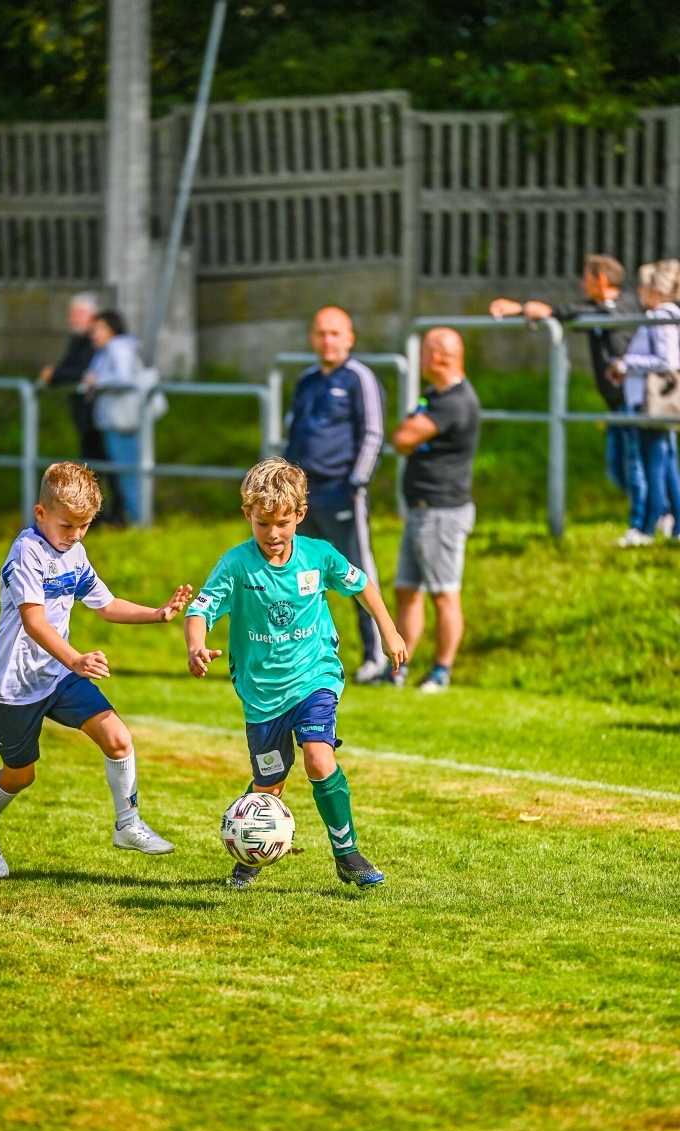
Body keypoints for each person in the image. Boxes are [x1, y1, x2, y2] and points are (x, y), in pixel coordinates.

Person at [0, 461, 192, 879]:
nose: (77, 535)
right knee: (21, 774)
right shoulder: (26, 552)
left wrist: (157, 614)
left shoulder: (75, 553)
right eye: (68, 526)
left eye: (84, 526)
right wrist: (77, 659)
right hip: (15, 685)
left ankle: (128, 824)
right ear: (40, 513)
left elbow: (105, 605)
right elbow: (34, 621)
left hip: (60, 676)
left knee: (118, 738)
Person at [184, 457, 407, 890]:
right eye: (262, 523)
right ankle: (253, 847)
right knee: (271, 780)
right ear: (247, 514)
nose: (273, 534)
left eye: (282, 523)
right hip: (261, 693)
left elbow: (361, 586)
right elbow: (200, 610)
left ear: (300, 516)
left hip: (314, 676)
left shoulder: (318, 556)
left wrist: (389, 631)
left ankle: (347, 853)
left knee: (319, 758)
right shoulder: (235, 565)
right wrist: (196, 646)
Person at [489, 254, 644, 509]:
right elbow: (572, 312)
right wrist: (524, 310)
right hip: (617, 402)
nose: (582, 285)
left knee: (638, 465)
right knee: (616, 469)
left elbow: (591, 312)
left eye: (586, 278)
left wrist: (549, 310)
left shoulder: (627, 304)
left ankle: (649, 522)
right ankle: (657, 513)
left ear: (602, 279)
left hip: (637, 400)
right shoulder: (595, 309)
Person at [285, 306, 387, 684]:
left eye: (335, 333)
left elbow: (374, 433)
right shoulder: (306, 380)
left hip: (341, 493)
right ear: (312, 338)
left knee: (357, 573)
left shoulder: (360, 378)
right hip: (301, 498)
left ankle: (378, 658)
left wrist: (355, 483)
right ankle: (303, 657)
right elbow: (292, 430)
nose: (328, 340)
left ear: (349, 338)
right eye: (321, 333)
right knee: (300, 578)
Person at [384, 328, 480, 693]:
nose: (420, 360)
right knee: (407, 591)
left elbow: (404, 437)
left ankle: (441, 670)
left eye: (424, 352)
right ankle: (400, 668)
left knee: (444, 594)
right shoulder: (434, 396)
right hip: (420, 511)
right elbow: (409, 433)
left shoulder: (455, 401)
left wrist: (409, 433)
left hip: (442, 511)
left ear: (439, 357)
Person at [39, 292, 125, 524]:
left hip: (100, 416)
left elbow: (85, 372)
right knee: (94, 466)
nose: (72, 318)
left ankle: (114, 515)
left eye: (77, 313)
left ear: (92, 316)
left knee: (104, 466)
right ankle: (101, 516)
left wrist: (55, 374)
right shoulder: (80, 340)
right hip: (89, 416)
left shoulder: (95, 342)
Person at [611, 259, 680, 546]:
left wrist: (627, 365)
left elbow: (667, 361)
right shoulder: (668, 315)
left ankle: (647, 529)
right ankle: (674, 526)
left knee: (653, 464)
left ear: (654, 288)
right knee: (665, 464)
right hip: (648, 401)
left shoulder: (659, 318)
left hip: (651, 402)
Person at [84, 310, 160, 526]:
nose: (93, 334)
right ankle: (139, 520)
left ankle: (141, 522)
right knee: (129, 474)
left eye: (98, 329)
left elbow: (123, 378)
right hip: (117, 421)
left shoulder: (118, 347)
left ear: (111, 328)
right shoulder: (111, 349)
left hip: (123, 422)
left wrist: (97, 380)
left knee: (130, 474)